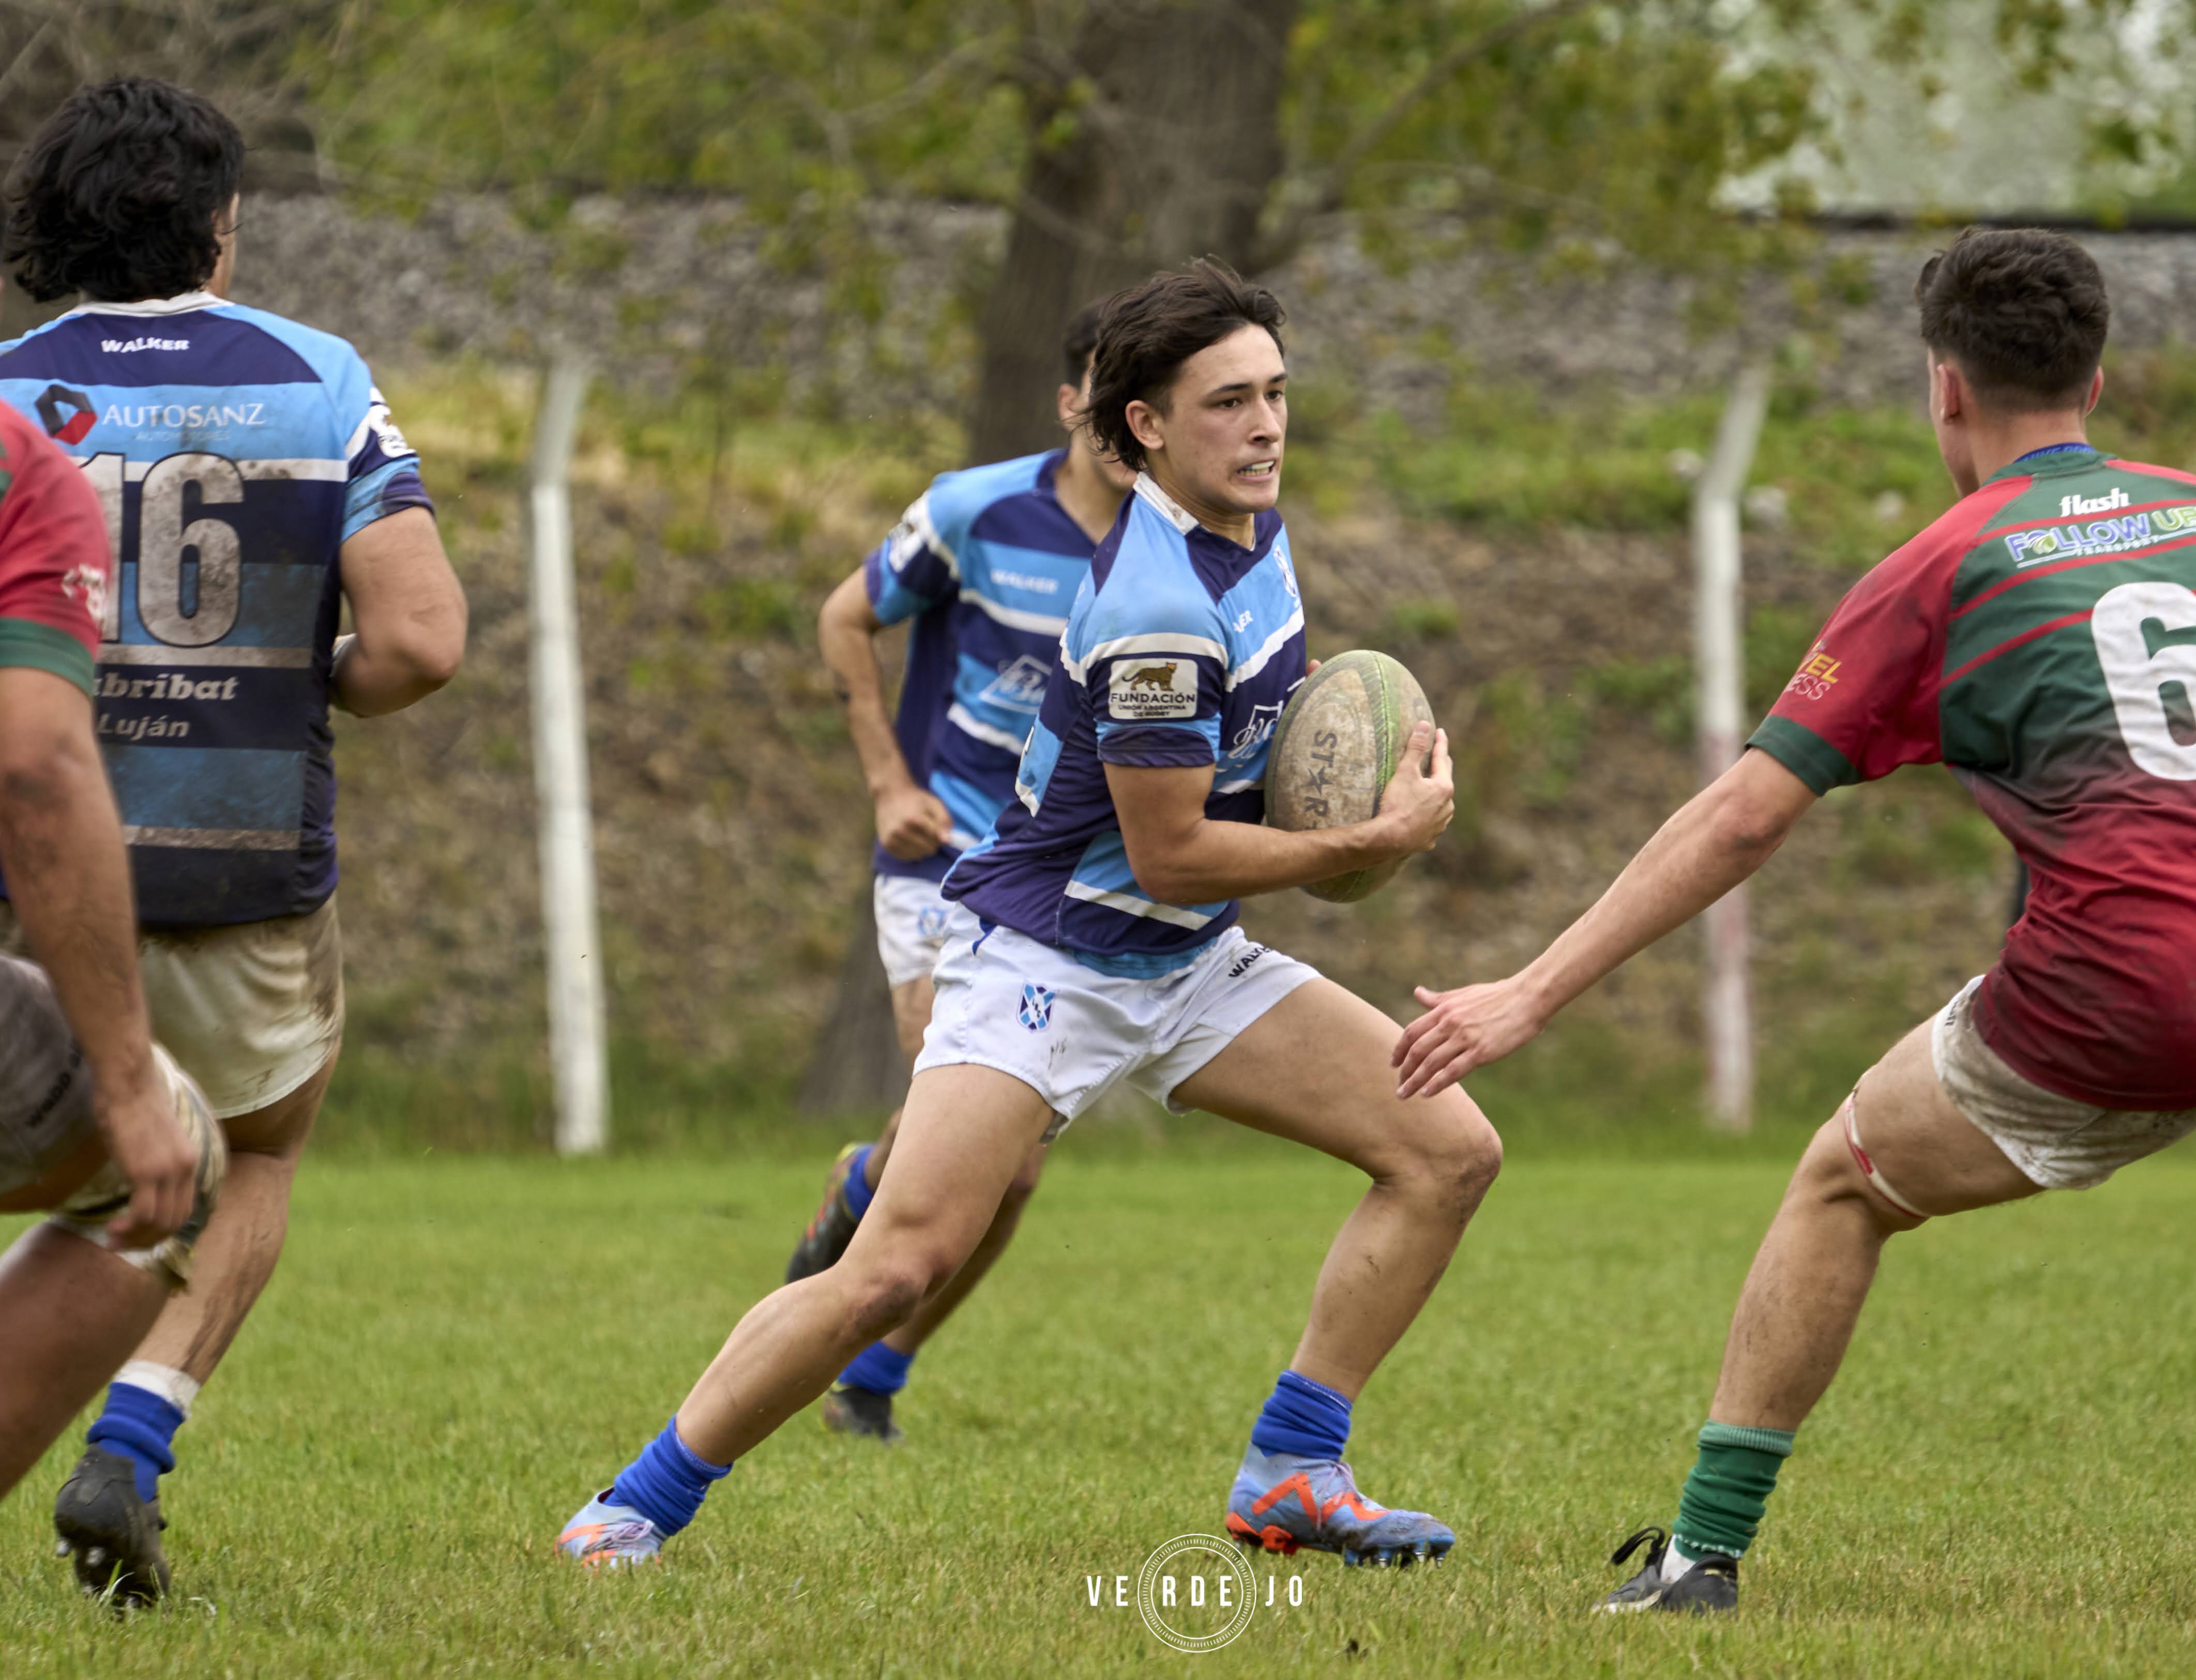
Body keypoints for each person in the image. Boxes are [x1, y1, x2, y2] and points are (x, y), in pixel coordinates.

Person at [1394, 225, 2196, 1615]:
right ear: (2094, 380)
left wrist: (1530, 991)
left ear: (1942, 391)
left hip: (2097, 1012)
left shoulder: (1944, 566)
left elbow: (1741, 819)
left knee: (1839, 1182)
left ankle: (1697, 1557)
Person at [557, 260, 1501, 1569]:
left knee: (1447, 1149)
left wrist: (1340, 770)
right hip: (1052, 963)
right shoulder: (1155, 614)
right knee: (894, 1267)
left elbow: (1230, 802)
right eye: (1228, 403)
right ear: (1143, 429)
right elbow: (1170, 855)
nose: (1267, 426)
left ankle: (1294, 1467)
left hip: (1186, 961)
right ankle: (634, 1504)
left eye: (1276, 394)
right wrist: (1368, 837)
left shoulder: (1253, 532)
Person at [0, 79, 467, 1600]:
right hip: (241, 861)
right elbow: (421, 642)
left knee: (68, 1156)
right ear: (220, 222)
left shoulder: (8, 390)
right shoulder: (317, 375)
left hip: (25, 877)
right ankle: (133, 1440)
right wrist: (300, 676)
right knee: (250, 1151)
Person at [784, 302, 1134, 1443]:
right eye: (1103, 386)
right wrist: (888, 781)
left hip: (1065, 884)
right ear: (1071, 398)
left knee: (1013, 1177)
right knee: (1004, 1163)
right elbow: (846, 619)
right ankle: (862, 1261)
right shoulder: (974, 509)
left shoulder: (1179, 547)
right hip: (942, 864)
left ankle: (878, 1361)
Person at [0, 389, 225, 1607]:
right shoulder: (18, 461)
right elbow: (33, 760)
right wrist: (129, 1082)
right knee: (175, 1157)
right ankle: (125, 1449)